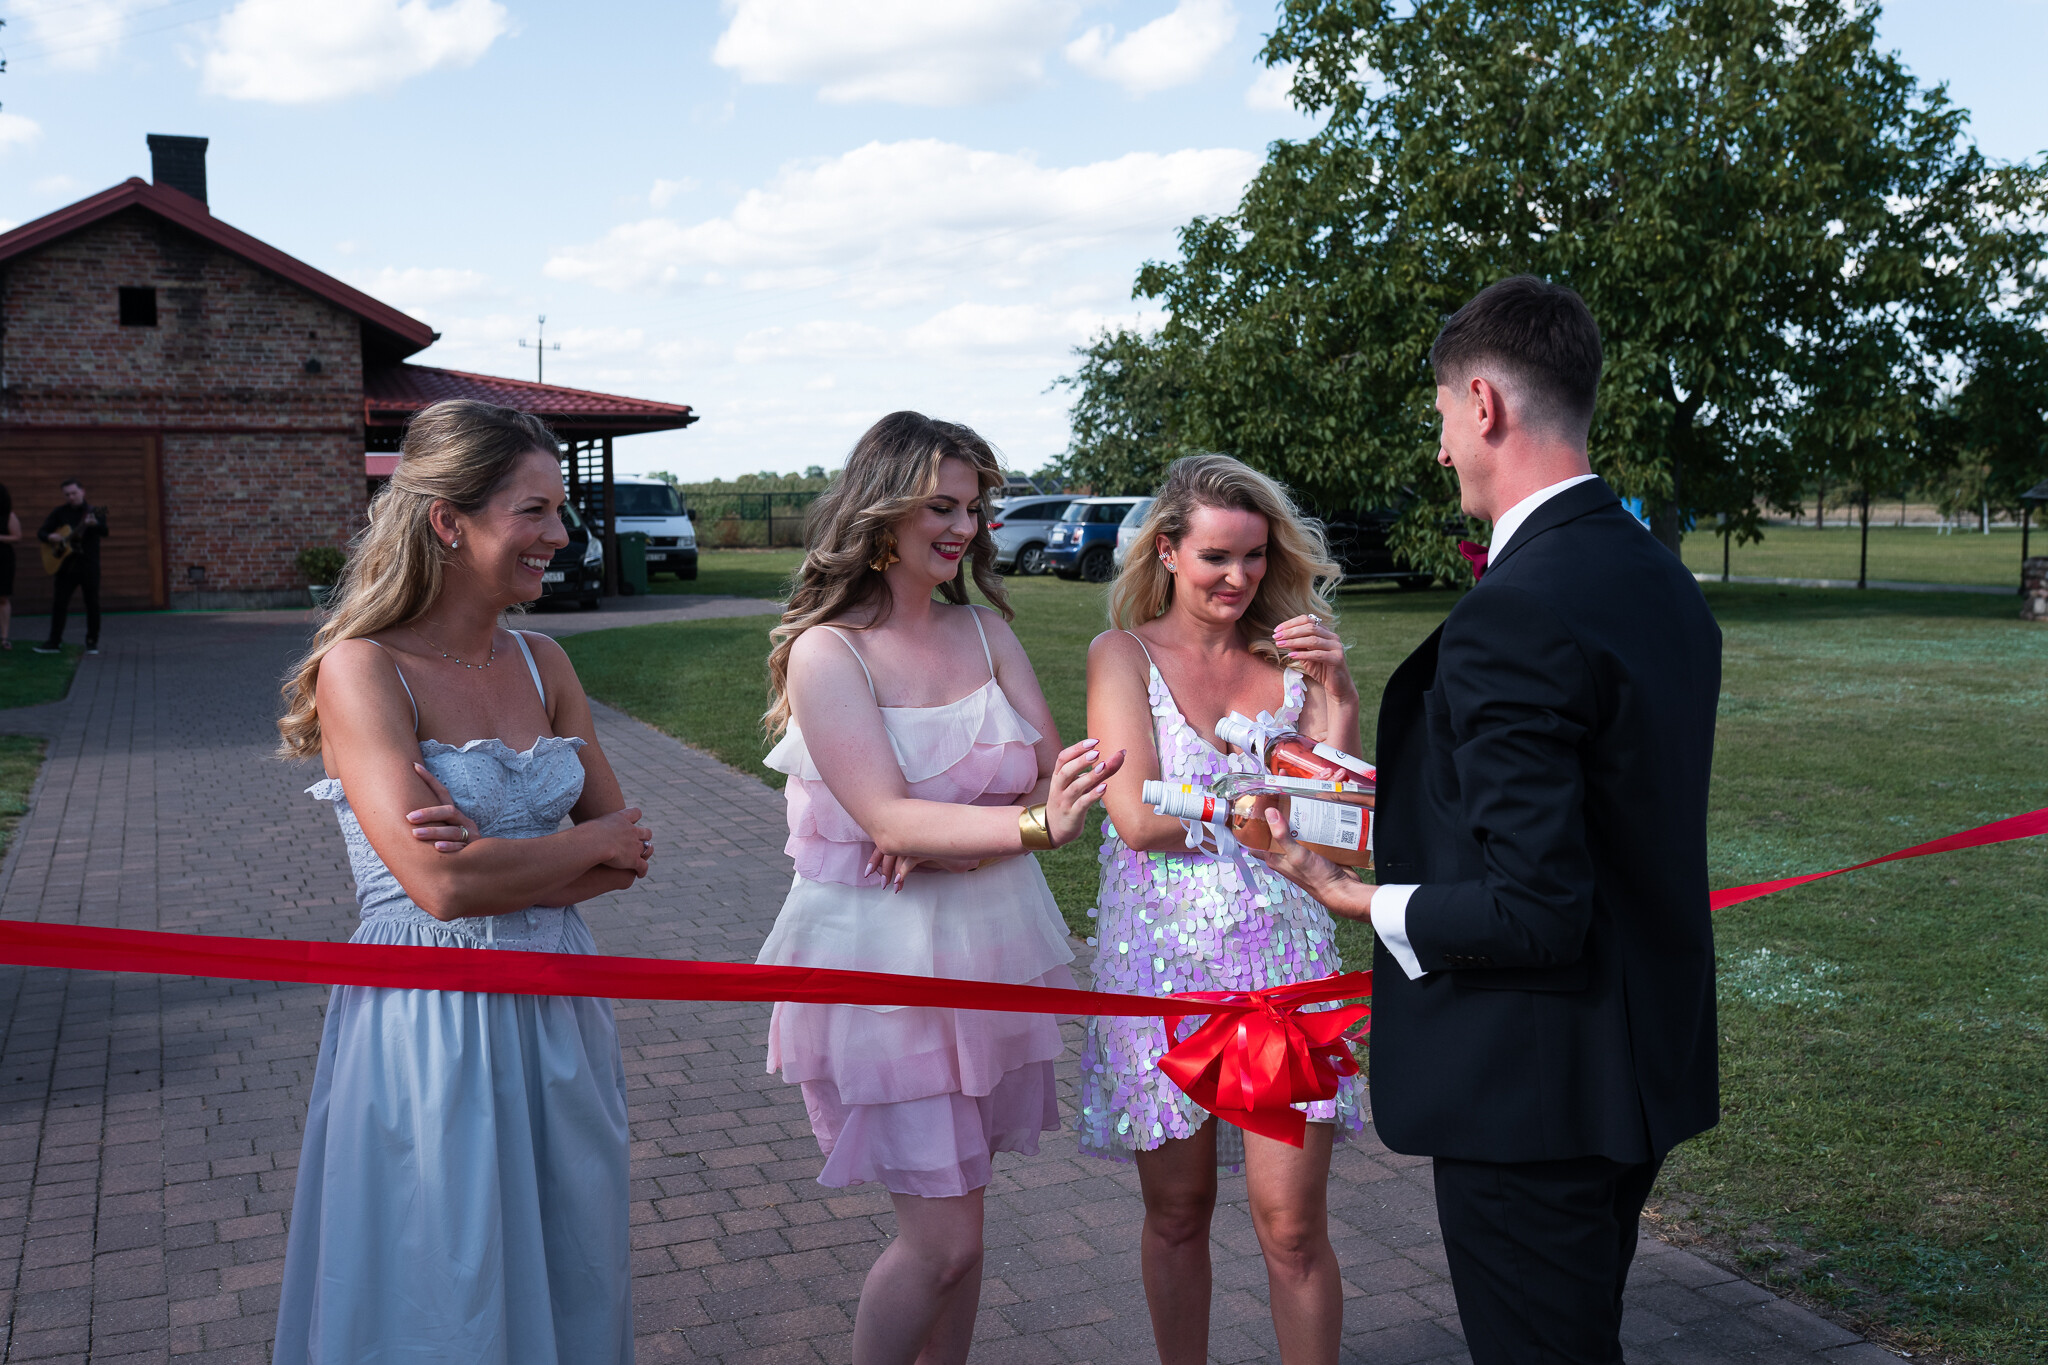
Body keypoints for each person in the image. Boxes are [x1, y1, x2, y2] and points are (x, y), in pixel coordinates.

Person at [1248, 276, 1723, 1365]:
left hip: (1533, 1083)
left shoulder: (1515, 611)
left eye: (1440, 420)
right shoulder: (1655, 576)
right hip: (1634, 1058)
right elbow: (1588, 810)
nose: (1440, 451)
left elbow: (1534, 904)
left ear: (1483, 404)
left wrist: (1349, 894)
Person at [272, 399, 653, 1364]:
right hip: (429, 1013)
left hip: (560, 1000)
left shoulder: (545, 661)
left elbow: (626, 854)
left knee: (573, 1256)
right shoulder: (362, 670)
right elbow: (438, 894)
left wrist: (489, 855)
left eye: (560, 511)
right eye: (533, 511)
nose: (560, 536)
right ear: (449, 520)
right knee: (444, 1276)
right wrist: (562, 849)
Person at [757, 410, 1121, 1365]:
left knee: (968, 1232)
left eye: (973, 508)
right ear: (881, 512)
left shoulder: (987, 630)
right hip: (885, 967)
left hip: (988, 950)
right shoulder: (829, 651)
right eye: (940, 506)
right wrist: (1018, 830)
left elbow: (1052, 774)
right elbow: (893, 822)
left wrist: (956, 839)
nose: (963, 527)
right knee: (944, 1240)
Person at [1079, 453, 1367, 1365]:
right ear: (1167, 551)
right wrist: (1262, 802)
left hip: (1285, 964)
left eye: (1253, 555)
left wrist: (1339, 696)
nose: (1238, 577)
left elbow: (1339, 831)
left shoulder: (1288, 665)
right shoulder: (1122, 655)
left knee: (1293, 1225)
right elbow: (1136, 819)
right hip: (1159, 966)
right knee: (1177, 1212)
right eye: (1215, 556)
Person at [35, 478, 106, 655]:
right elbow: (41, 532)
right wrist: (50, 537)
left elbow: (105, 531)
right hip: (66, 566)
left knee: (92, 604)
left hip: (88, 565)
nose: (71, 497)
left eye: (74, 493)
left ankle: (92, 642)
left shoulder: (95, 511)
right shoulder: (59, 512)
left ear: (82, 491)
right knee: (59, 604)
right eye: (67, 494)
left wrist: (95, 524)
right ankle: (54, 642)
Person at [0, 483, 19, 649]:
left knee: (3, 597)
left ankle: (4, 637)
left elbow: (17, 536)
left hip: (3, 559)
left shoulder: (8, 516)